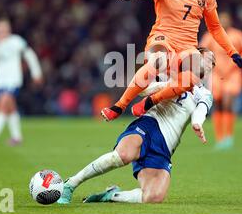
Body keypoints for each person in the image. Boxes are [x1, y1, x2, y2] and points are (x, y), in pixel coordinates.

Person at [101, 0, 242, 122]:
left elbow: (215, 27)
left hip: (187, 46)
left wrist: (233, 53)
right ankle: (119, 106)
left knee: (196, 74)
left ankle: (151, 100)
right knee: (159, 61)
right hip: (162, 38)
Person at [57, 48, 215, 204]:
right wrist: (162, 86)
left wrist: (197, 123)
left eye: (212, 62)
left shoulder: (205, 94)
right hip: (150, 124)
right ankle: (71, 184)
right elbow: (142, 90)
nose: (210, 64)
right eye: (207, 59)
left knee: (153, 197)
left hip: (166, 145)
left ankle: (111, 196)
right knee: (123, 155)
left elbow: (200, 111)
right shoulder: (172, 75)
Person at [0, 17, 43, 146]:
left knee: (3, 103)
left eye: (5, 28)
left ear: (9, 29)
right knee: (10, 108)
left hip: (13, 80)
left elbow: (30, 55)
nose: (3, 31)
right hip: (0, 81)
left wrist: (36, 73)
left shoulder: (16, 41)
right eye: (0, 28)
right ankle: (17, 137)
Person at [201, 11, 242, 150]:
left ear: (230, 21)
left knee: (228, 101)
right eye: (221, 19)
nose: (223, 21)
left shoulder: (238, 35)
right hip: (216, 73)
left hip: (233, 73)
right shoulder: (210, 34)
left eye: (225, 19)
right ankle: (220, 138)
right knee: (218, 103)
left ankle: (229, 137)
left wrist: (240, 63)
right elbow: (202, 51)